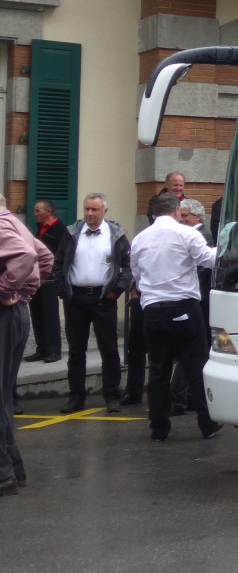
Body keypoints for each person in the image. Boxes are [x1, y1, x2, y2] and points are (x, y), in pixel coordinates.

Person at [130, 193, 222, 442]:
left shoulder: (140, 239)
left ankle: (159, 427)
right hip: (183, 308)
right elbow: (209, 260)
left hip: (152, 311)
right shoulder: (187, 233)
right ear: (176, 211)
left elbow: (137, 275)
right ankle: (207, 423)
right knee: (196, 367)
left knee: (158, 370)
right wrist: (226, 246)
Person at [55, 193, 131, 415]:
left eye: (94, 209)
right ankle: (76, 396)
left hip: (103, 298)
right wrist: (63, 289)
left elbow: (129, 266)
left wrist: (117, 290)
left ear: (104, 211)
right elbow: (59, 262)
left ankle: (112, 396)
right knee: (76, 351)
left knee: (109, 349)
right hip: (76, 298)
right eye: (87, 209)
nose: (89, 213)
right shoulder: (72, 233)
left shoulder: (116, 234)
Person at [0, 194, 54, 496]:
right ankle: (13, 470)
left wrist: (5, 289)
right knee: (3, 397)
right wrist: (24, 292)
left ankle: (5, 475)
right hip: (15, 312)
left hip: (5, 313)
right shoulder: (14, 222)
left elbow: (26, 255)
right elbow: (44, 257)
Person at [170, 199, 214, 414]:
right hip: (191, 302)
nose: (182, 219)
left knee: (190, 353)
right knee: (192, 352)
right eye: (181, 215)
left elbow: (200, 269)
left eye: (186, 216)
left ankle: (180, 398)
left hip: (196, 302)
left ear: (198, 217)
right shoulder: (185, 235)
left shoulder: (200, 236)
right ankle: (187, 398)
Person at [24, 199, 67, 363]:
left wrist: (57, 275)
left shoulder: (60, 230)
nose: (34, 214)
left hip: (50, 280)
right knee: (37, 314)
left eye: (38, 211)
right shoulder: (40, 229)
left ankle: (53, 351)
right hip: (37, 279)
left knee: (50, 315)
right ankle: (41, 349)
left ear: (48, 212)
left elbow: (62, 255)